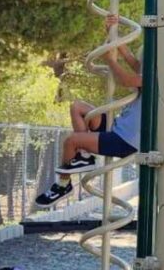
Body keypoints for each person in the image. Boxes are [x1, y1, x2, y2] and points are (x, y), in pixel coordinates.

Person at [34, 14, 142, 206]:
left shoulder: (158, 77)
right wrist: (111, 32)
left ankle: (63, 185)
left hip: (126, 141)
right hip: (117, 127)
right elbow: (130, 57)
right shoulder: (146, 69)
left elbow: (126, 80)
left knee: (71, 141)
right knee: (77, 107)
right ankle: (84, 155)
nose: (139, 64)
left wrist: (110, 61)